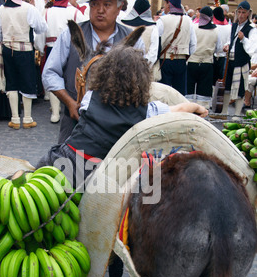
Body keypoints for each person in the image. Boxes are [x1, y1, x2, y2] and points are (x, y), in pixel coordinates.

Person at [36, 44, 208, 187]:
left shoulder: (91, 97)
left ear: (104, 74)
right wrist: (197, 108)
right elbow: (180, 109)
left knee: (32, 176)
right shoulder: (149, 111)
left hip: (67, 160)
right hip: (102, 174)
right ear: (142, 81)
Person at [41, 0, 145, 144]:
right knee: (70, 168)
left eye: (107, 4)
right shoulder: (70, 34)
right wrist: (69, 102)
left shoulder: (133, 40)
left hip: (118, 129)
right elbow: (50, 73)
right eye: (95, 4)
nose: (100, 10)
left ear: (119, 8)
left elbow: (142, 85)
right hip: (76, 125)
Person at [0, 0, 48, 129]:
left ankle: (15, 119)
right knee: (27, 82)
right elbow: (42, 28)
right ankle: (27, 118)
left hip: (7, 50)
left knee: (12, 83)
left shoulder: (2, 9)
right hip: (25, 50)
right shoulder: (29, 9)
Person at [34, 0, 85, 124]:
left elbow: (40, 33)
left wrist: (40, 48)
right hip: (73, 51)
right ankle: (69, 106)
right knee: (69, 80)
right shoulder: (75, 12)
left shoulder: (48, 11)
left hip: (50, 47)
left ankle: (55, 112)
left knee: (53, 76)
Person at [154, 0, 197, 96]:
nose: (164, 6)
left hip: (165, 60)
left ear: (169, 4)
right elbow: (193, 44)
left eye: (165, 3)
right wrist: (185, 55)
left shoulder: (162, 20)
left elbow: (156, 42)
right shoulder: (188, 20)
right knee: (180, 94)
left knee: (164, 93)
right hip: (181, 61)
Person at [222, 1, 257, 116]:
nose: (241, 15)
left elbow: (252, 49)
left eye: (243, 12)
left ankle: (237, 114)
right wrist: (227, 46)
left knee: (240, 89)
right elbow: (230, 40)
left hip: (242, 62)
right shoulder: (234, 26)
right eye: (239, 12)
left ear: (248, 14)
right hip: (230, 61)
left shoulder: (251, 29)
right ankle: (224, 111)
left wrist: (243, 39)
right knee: (227, 87)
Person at [186, 6, 222, 108]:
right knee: (203, 93)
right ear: (211, 17)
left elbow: (189, 44)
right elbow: (218, 48)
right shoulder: (216, 30)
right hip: (207, 63)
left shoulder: (193, 27)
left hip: (192, 62)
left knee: (189, 91)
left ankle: (188, 111)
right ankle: (202, 111)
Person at [212, 6, 231, 85]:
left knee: (212, 80)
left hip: (213, 56)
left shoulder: (213, 26)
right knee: (220, 81)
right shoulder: (229, 27)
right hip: (224, 57)